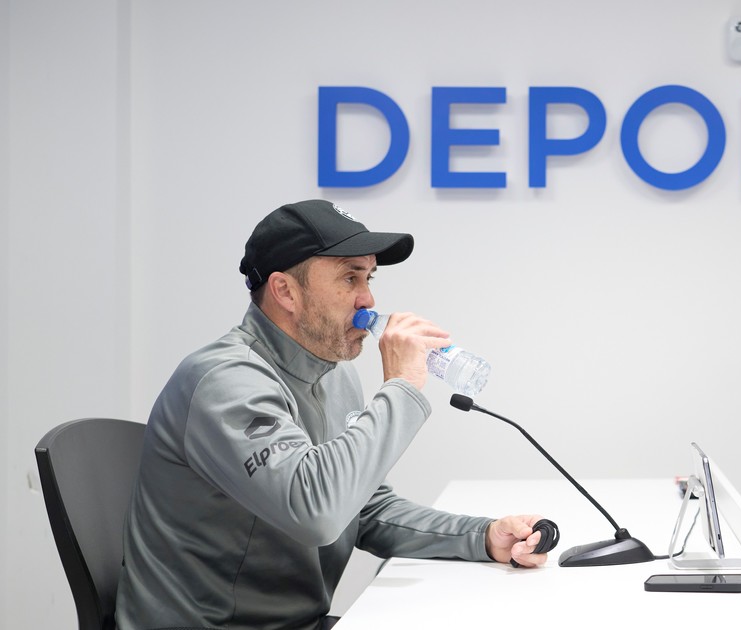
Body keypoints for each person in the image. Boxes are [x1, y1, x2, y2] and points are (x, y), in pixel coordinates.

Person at [116, 199, 548, 630]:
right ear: (286, 291)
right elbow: (316, 512)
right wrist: (401, 386)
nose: (368, 298)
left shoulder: (335, 376)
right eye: (349, 277)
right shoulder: (224, 382)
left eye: (368, 277)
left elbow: (366, 509)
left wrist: (483, 536)